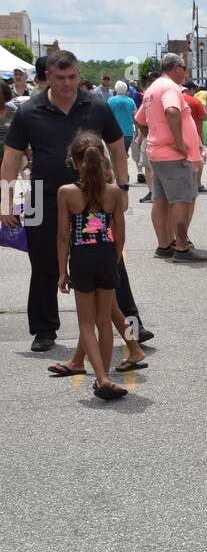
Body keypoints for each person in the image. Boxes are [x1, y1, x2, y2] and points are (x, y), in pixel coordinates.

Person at [0, 49, 130, 352]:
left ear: (79, 74)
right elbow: (12, 157)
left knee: (111, 260)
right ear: (48, 77)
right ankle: (44, 329)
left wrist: (122, 188)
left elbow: (118, 147)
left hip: (93, 194)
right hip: (38, 195)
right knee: (42, 262)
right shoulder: (28, 110)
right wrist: (5, 199)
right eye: (60, 78)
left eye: (72, 77)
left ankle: (132, 323)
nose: (67, 83)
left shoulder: (97, 106)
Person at [56, 131, 129, 400]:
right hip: (107, 254)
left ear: (74, 162)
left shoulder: (66, 193)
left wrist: (62, 271)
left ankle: (101, 377)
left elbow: (63, 236)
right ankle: (105, 377)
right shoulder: (114, 192)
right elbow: (119, 234)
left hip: (82, 257)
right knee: (104, 321)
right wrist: (115, 258)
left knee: (86, 322)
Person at [134, 53, 207, 263]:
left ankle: (164, 244)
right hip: (172, 155)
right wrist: (177, 141)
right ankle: (182, 247)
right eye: (184, 68)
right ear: (176, 67)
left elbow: (139, 118)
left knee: (161, 200)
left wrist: (153, 136)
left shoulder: (152, 89)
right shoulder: (169, 88)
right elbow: (173, 111)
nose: (186, 72)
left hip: (158, 153)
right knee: (181, 200)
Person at [183, 81, 207, 192]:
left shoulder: (177, 99)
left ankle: (184, 184)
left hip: (179, 135)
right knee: (198, 159)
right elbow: (204, 117)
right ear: (191, 89)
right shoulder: (195, 101)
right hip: (195, 135)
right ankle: (197, 183)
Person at [107, 81, 136, 156]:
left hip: (114, 132)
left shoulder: (110, 100)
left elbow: (106, 117)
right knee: (124, 154)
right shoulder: (131, 101)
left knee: (114, 155)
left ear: (116, 89)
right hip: (128, 132)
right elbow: (135, 117)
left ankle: (116, 167)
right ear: (126, 89)